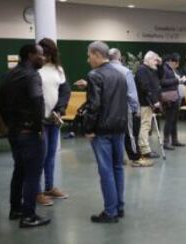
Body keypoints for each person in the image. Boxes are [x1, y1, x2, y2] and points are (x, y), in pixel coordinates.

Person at [0, 44, 51, 228]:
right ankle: (28, 216)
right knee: (32, 175)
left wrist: (9, 124)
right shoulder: (32, 75)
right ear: (30, 55)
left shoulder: (9, 74)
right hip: (30, 134)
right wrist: (37, 128)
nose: (43, 58)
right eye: (41, 55)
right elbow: (37, 102)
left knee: (19, 171)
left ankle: (16, 209)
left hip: (14, 133)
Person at [83, 41, 128, 223]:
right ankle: (119, 207)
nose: (88, 60)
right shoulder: (120, 74)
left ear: (96, 54)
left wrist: (88, 128)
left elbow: (94, 105)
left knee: (106, 171)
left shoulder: (94, 75)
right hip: (119, 127)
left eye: (89, 55)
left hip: (102, 130)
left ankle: (110, 212)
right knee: (118, 168)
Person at [36, 38, 71, 206]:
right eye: (43, 54)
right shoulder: (35, 69)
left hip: (53, 120)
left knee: (50, 155)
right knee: (39, 157)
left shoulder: (59, 69)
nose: (45, 57)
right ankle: (36, 192)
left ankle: (49, 187)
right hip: (39, 120)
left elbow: (65, 90)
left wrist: (60, 109)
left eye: (48, 54)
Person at [108, 48, 153, 167]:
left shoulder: (102, 70)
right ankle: (135, 158)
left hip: (108, 110)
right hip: (124, 108)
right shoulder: (125, 71)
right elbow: (131, 93)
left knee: (114, 134)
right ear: (119, 57)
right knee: (130, 134)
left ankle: (117, 157)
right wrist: (136, 108)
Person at [135, 51, 162, 158]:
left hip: (148, 102)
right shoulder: (142, 70)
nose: (156, 63)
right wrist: (154, 100)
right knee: (145, 126)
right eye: (155, 60)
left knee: (146, 125)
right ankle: (145, 149)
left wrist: (160, 64)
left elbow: (161, 75)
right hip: (145, 102)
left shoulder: (149, 70)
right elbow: (145, 87)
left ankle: (144, 148)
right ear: (149, 59)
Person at [160, 53, 186, 150]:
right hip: (169, 98)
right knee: (169, 120)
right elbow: (162, 82)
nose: (177, 64)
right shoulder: (164, 69)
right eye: (176, 62)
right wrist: (176, 80)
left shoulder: (172, 69)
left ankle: (174, 140)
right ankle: (166, 142)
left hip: (176, 97)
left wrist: (183, 81)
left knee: (174, 120)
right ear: (171, 61)